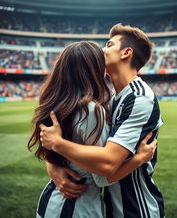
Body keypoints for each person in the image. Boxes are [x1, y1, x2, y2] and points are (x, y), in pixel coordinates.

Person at [40, 24, 165, 218]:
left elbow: (107, 165)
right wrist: (53, 167)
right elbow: (74, 141)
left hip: (136, 207)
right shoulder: (111, 97)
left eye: (108, 44)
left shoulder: (139, 98)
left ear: (126, 53)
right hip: (111, 205)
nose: (102, 50)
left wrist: (57, 144)